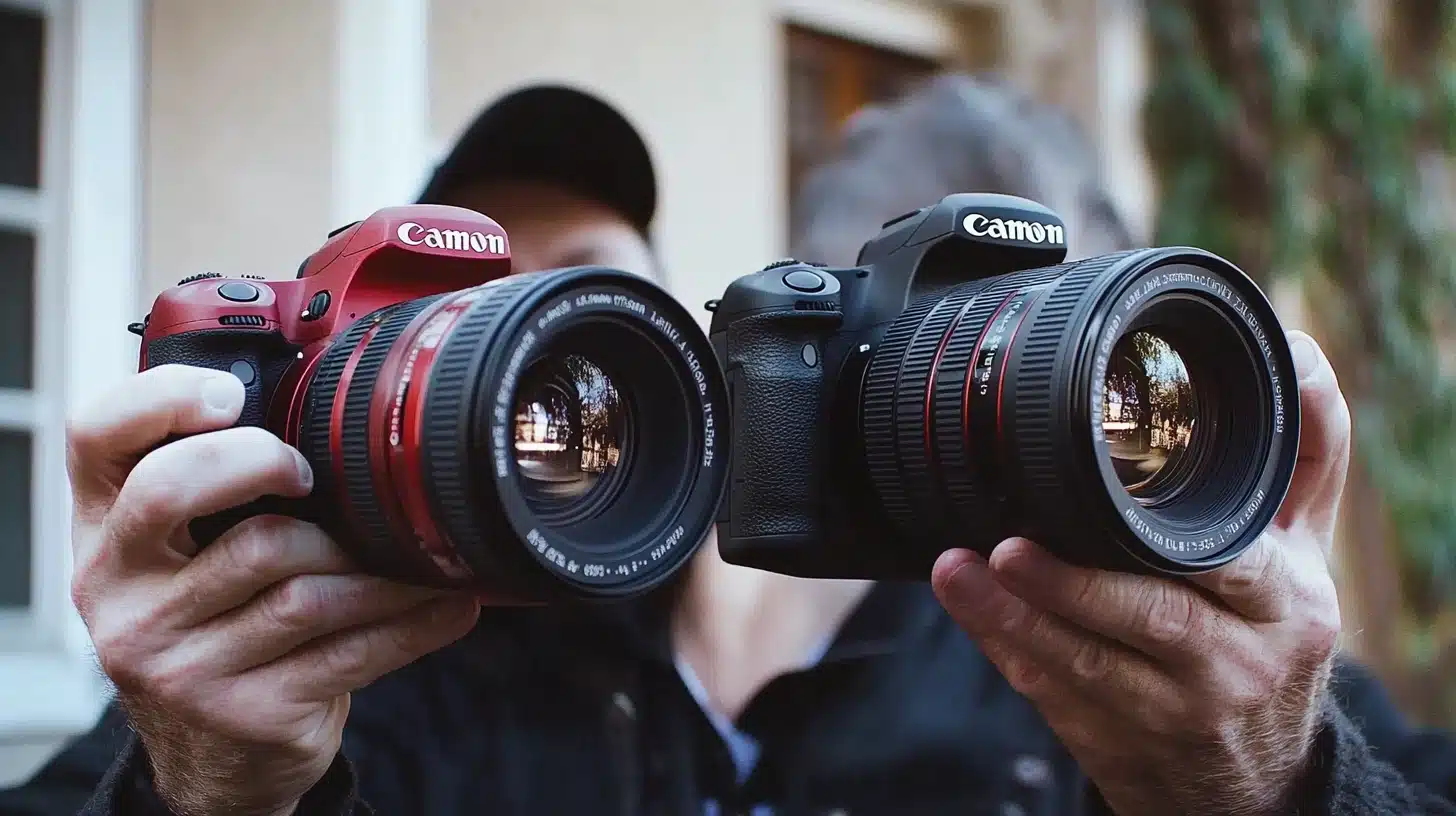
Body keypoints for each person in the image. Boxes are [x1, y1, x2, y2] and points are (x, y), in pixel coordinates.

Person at [3, 76, 1455, 816]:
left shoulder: (1147, 654)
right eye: (476, 306)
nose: (532, 359)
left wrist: (1273, 781)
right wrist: (201, 783)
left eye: (586, 300)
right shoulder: (372, 659)